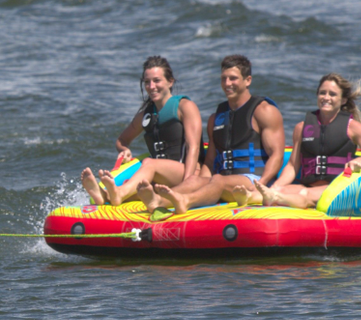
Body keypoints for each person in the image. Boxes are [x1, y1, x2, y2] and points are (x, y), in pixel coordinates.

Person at [145, 54, 283, 215]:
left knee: (218, 180)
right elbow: (210, 162)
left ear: (248, 80)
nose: (227, 84)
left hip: (254, 180)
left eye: (233, 78)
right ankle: (159, 201)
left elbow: (277, 155)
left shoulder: (264, 111)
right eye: (223, 78)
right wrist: (200, 182)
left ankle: (185, 201)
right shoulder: (216, 118)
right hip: (225, 182)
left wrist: (261, 185)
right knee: (195, 180)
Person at [81, 56, 203, 206]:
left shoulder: (185, 107)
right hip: (162, 176)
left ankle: (119, 193)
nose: (151, 86)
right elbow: (122, 140)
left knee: (149, 163)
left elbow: (194, 147)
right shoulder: (146, 115)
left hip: (189, 173)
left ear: (170, 81)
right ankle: (105, 197)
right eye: (147, 82)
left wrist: (187, 183)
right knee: (141, 188)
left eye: (157, 80)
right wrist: (124, 149)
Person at [255, 72, 361, 209]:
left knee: (304, 194)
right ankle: (251, 196)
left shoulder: (353, 128)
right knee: (278, 190)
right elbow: (293, 165)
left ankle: (277, 199)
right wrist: (277, 186)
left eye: (332, 94)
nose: (326, 98)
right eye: (322, 93)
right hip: (308, 186)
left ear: (343, 100)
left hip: (337, 188)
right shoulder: (301, 127)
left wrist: (359, 160)